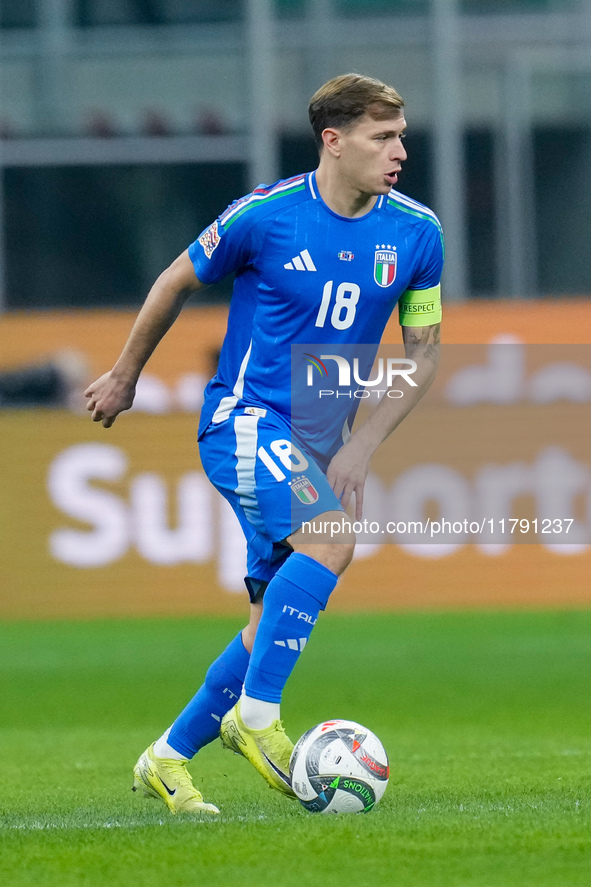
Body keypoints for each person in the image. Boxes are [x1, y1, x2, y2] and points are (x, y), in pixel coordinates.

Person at [84, 73, 443, 815]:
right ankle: (256, 721)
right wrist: (124, 375)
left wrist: (361, 444)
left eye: (401, 135)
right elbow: (172, 282)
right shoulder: (265, 215)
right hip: (244, 421)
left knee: (262, 626)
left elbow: (423, 352)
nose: (399, 151)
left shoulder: (416, 232)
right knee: (334, 539)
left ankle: (166, 758)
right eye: (383, 137)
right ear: (333, 141)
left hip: (318, 443)